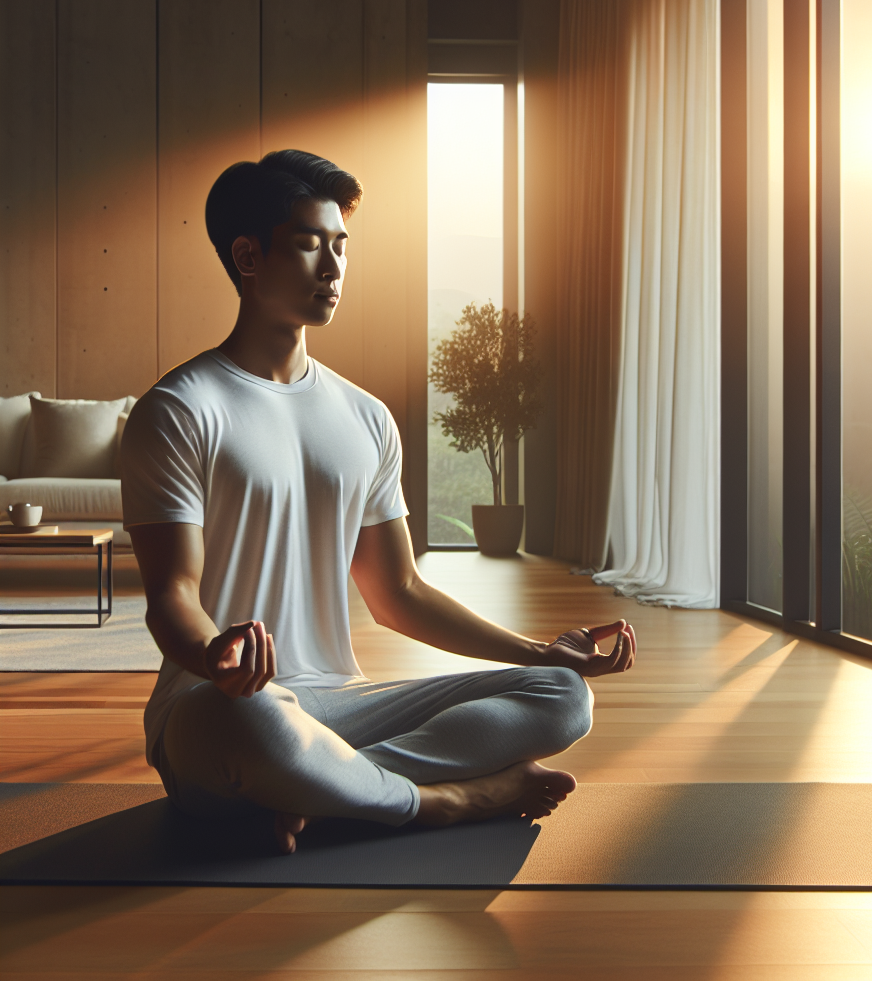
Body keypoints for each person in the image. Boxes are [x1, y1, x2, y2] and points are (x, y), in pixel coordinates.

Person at [121, 150, 636, 854]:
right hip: (223, 711)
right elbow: (171, 593)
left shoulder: (365, 417)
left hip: (344, 706)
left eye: (340, 247)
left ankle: (325, 789)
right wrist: (214, 656)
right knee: (255, 724)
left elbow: (397, 593)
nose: (333, 269)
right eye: (308, 247)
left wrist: (541, 651)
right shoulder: (180, 410)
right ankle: (439, 802)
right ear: (248, 255)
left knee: (561, 695)